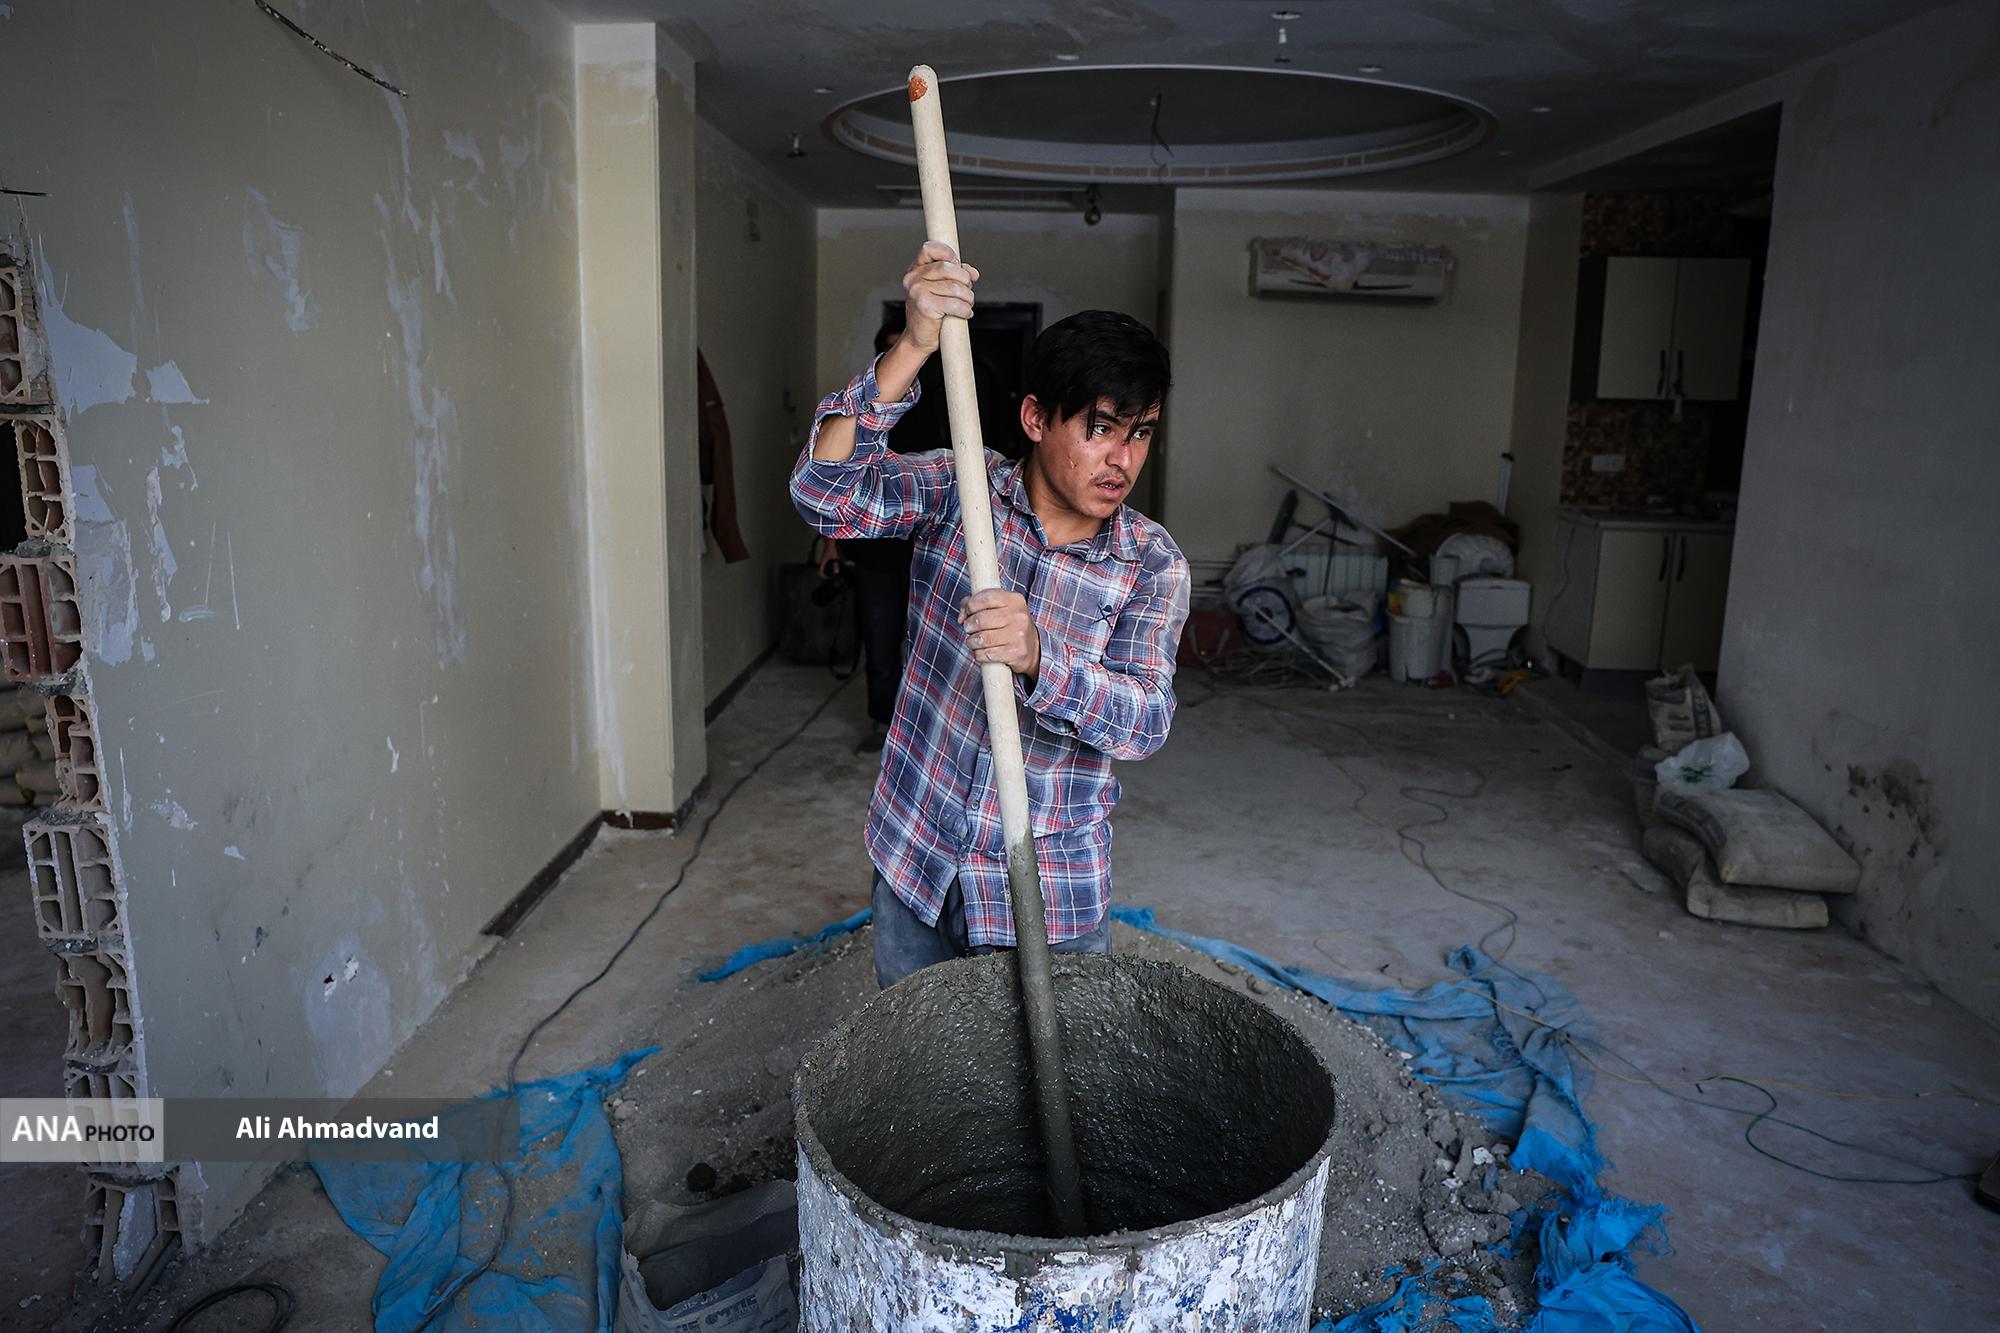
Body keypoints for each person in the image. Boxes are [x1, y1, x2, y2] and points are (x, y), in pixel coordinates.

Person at [791, 242, 1190, 988]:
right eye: (1101, 428)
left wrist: (1041, 658)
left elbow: (1145, 722)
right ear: (1036, 417)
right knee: (921, 1056)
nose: (1123, 460)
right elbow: (823, 493)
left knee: (1051, 1065)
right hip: (917, 859)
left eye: (1140, 432)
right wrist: (913, 345)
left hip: (1047, 893)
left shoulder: (1150, 563)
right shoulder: (961, 492)